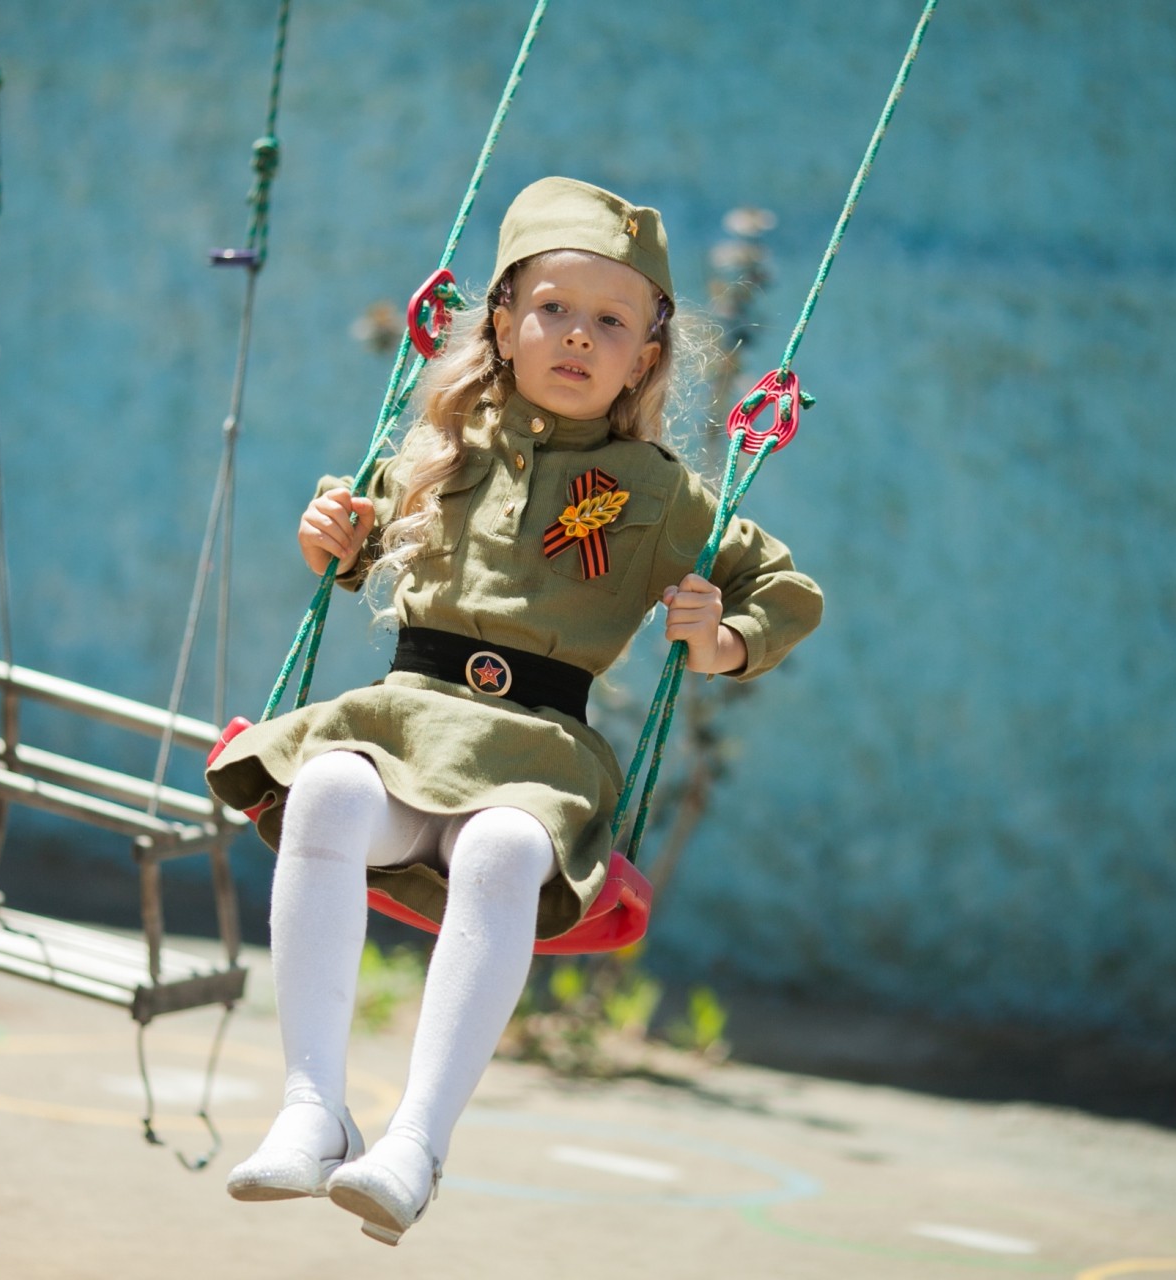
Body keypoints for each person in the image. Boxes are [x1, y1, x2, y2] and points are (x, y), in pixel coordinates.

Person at [209, 176, 823, 1245]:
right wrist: (332, 540)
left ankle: (415, 1141)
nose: (579, 335)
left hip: (536, 755)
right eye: (553, 308)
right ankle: (313, 1105)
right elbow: (355, 545)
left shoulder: (658, 494)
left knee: (500, 848)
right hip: (406, 724)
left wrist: (720, 636)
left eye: (612, 321)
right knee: (329, 791)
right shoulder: (442, 444)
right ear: (500, 324)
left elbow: (784, 588)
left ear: (647, 356)